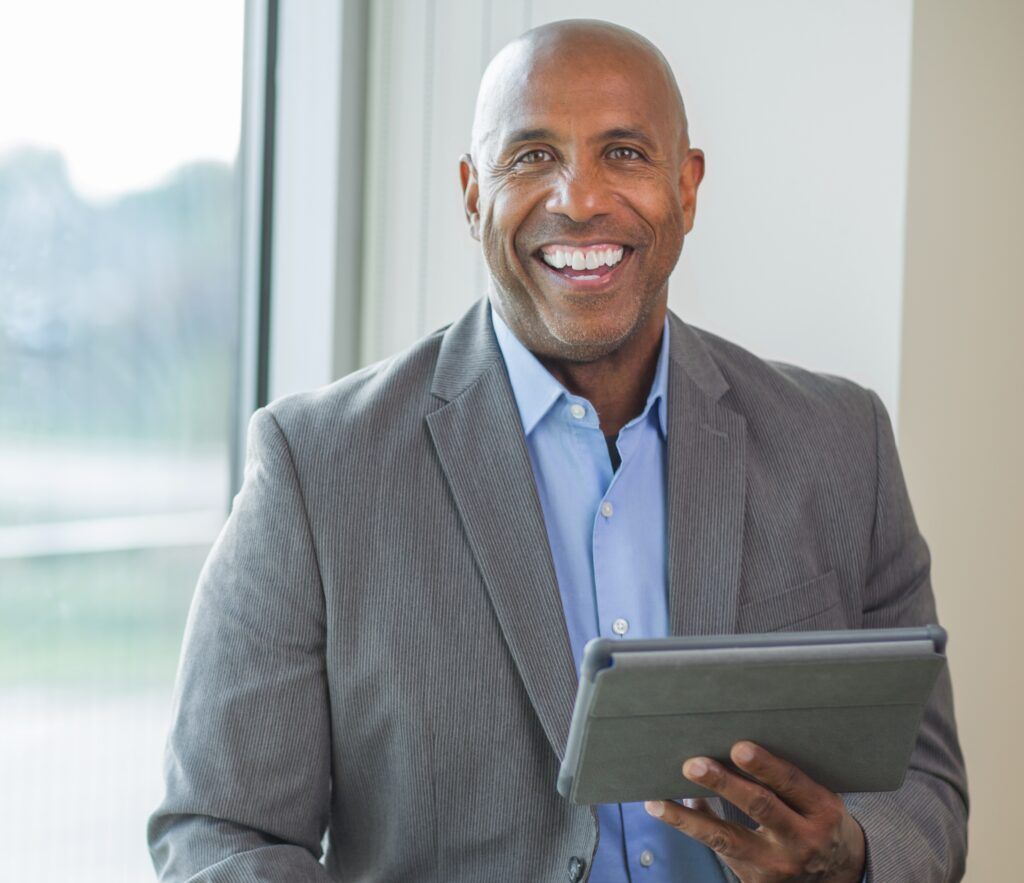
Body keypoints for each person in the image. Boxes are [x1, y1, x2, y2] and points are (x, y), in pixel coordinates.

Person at [148, 19, 968, 882]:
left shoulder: (842, 445)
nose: (578, 199)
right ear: (472, 195)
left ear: (687, 187)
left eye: (624, 153)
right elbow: (221, 833)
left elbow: (927, 787)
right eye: (532, 157)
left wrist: (853, 852)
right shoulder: (315, 469)